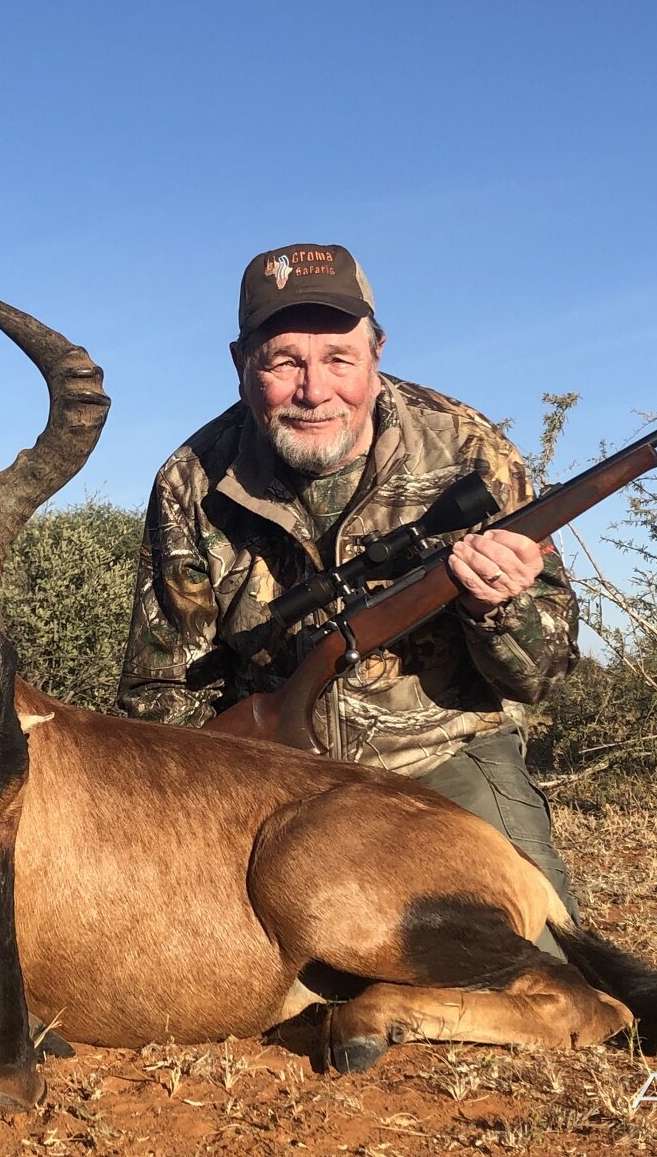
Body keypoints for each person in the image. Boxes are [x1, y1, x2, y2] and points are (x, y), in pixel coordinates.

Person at [118, 242, 582, 947]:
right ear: (243, 365)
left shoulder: (468, 450)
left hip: (439, 758)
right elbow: (161, 689)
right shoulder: (191, 479)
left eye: (339, 358)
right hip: (262, 779)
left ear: (377, 352)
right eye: (284, 362)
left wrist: (499, 608)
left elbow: (541, 675)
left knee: (538, 962)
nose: (314, 390)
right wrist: (186, 820)